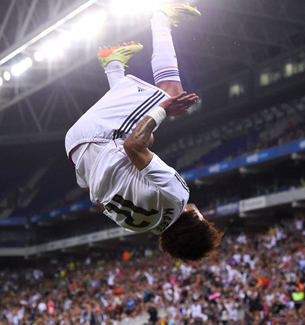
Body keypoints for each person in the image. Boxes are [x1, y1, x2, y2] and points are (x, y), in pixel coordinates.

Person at [65, 4, 222, 262]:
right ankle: (113, 63)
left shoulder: (177, 197)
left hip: (100, 134)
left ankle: (161, 15)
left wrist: (163, 110)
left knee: (171, 94)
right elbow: (100, 200)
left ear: (197, 221)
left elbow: (132, 146)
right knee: (149, 140)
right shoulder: (137, 226)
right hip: (76, 151)